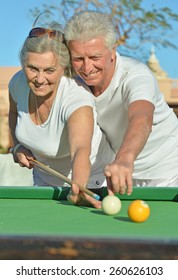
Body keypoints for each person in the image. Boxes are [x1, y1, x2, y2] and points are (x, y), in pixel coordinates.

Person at [64, 10, 178, 198]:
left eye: (94, 57)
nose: (86, 67)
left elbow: (141, 117)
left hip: (169, 170)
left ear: (112, 51)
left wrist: (125, 159)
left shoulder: (136, 75)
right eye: (78, 59)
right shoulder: (74, 83)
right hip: (120, 177)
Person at [8, 22, 115, 207]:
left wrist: (79, 187)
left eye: (49, 70)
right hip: (45, 186)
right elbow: (13, 112)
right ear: (23, 63)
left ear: (64, 68)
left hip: (90, 187)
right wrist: (17, 147)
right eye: (32, 68)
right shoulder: (18, 83)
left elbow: (80, 148)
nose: (40, 79)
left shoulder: (76, 96)